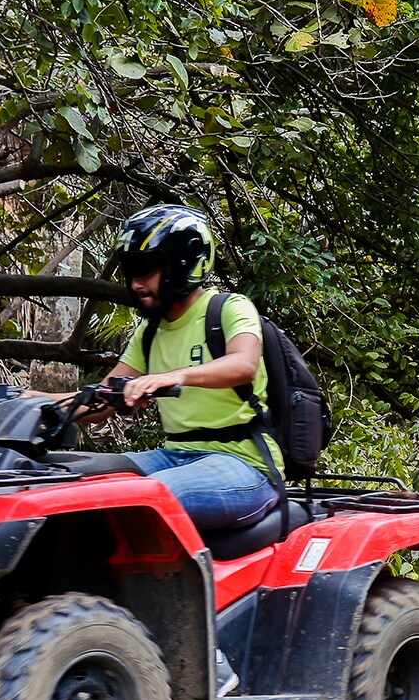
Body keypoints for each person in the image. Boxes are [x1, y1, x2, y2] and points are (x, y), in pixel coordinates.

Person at [33, 204, 281, 533]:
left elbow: (243, 364)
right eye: (131, 272)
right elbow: (102, 400)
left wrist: (172, 376)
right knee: (63, 480)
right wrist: (37, 402)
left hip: (244, 465)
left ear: (183, 264)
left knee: (135, 498)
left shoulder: (229, 308)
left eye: (145, 271)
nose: (135, 284)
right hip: (176, 456)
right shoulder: (150, 332)